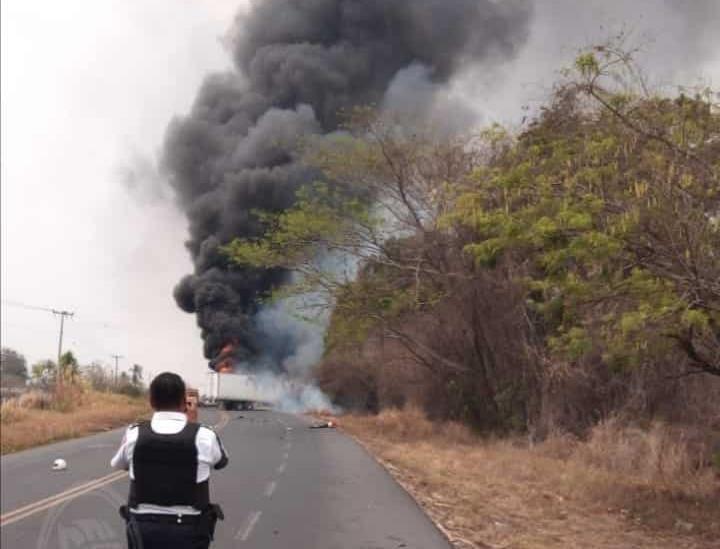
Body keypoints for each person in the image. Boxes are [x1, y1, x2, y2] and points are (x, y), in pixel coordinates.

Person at [111, 372, 228, 549]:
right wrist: (193, 424)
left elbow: (118, 464)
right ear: (184, 402)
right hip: (190, 530)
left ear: (151, 401)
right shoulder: (204, 435)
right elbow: (221, 461)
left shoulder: (134, 434)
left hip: (143, 530)